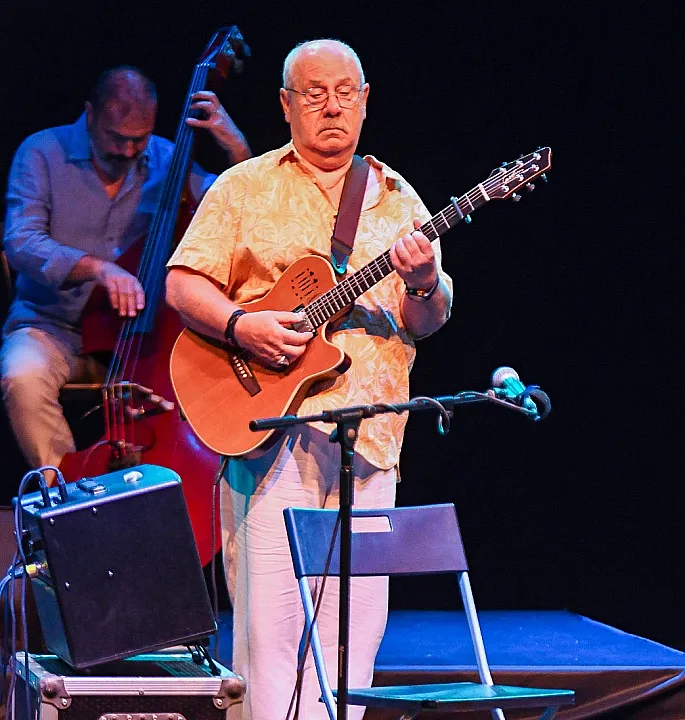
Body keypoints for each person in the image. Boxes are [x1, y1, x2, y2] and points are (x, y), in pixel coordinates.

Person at [164, 39, 452, 720]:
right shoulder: (244, 185)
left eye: (345, 92)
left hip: (371, 438)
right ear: (286, 105)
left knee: (356, 631)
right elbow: (182, 283)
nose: (332, 106)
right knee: (270, 631)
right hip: (273, 432)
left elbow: (428, 319)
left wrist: (424, 282)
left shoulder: (399, 197)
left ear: (365, 101)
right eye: (314, 93)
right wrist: (242, 326)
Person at [1, 66, 251, 470]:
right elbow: (21, 241)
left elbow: (232, 205)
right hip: (51, 326)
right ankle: (65, 491)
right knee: (21, 379)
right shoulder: (42, 153)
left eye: (139, 139)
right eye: (117, 138)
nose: (129, 151)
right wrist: (99, 269)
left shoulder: (166, 158)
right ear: (90, 114)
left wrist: (235, 147)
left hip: (136, 336)